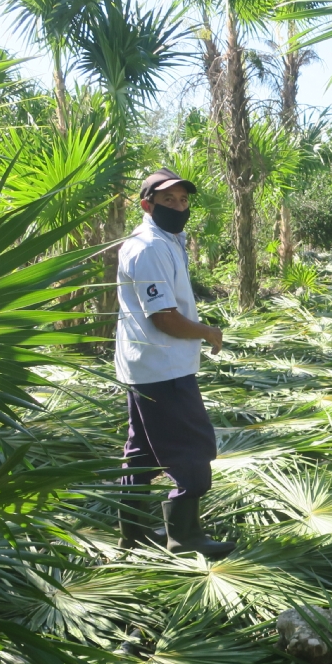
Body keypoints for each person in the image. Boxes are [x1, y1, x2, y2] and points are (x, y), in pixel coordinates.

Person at [115, 169, 234, 558]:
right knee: (193, 450)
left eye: (183, 200)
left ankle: (131, 532)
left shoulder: (165, 240)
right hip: (163, 370)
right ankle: (184, 537)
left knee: (143, 452)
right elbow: (163, 317)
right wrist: (207, 332)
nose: (179, 207)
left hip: (145, 366)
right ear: (148, 205)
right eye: (169, 201)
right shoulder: (149, 248)